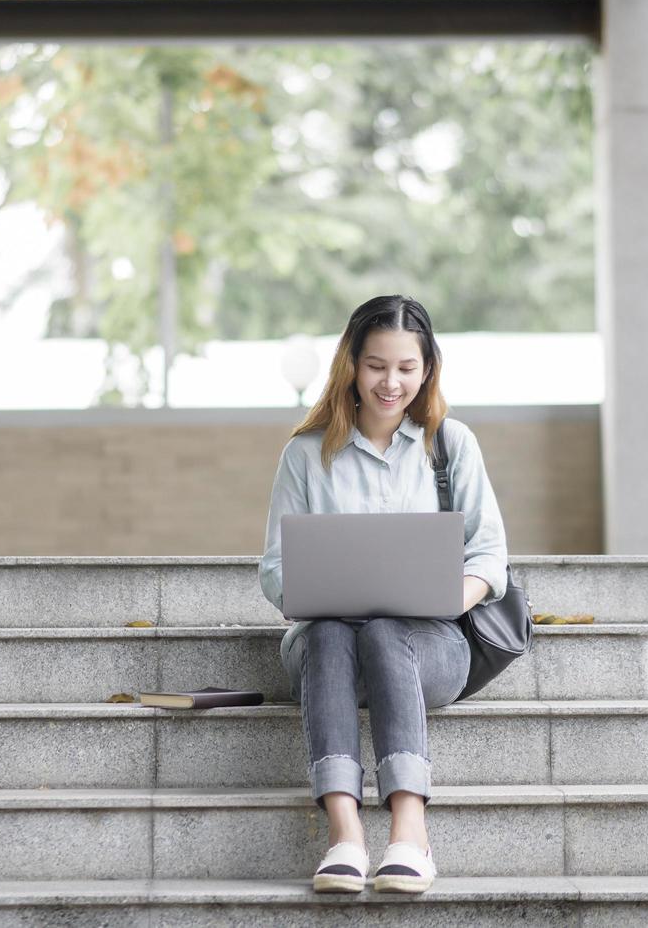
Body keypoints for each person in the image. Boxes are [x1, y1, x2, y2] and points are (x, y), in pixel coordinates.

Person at [258, 294, 509, 895]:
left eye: (405, 368)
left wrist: (445, 596)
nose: (390, 382)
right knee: (331, 632)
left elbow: (490, 556)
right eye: (376, 366)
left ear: (426, 371)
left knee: (387, 630)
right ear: (350, 364)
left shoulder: (451, 445)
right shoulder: (304, 454)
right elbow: (274, 570)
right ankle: (344, 836)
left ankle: (409, 832)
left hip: (431, 648)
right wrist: (319, 593)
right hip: (328, 653)